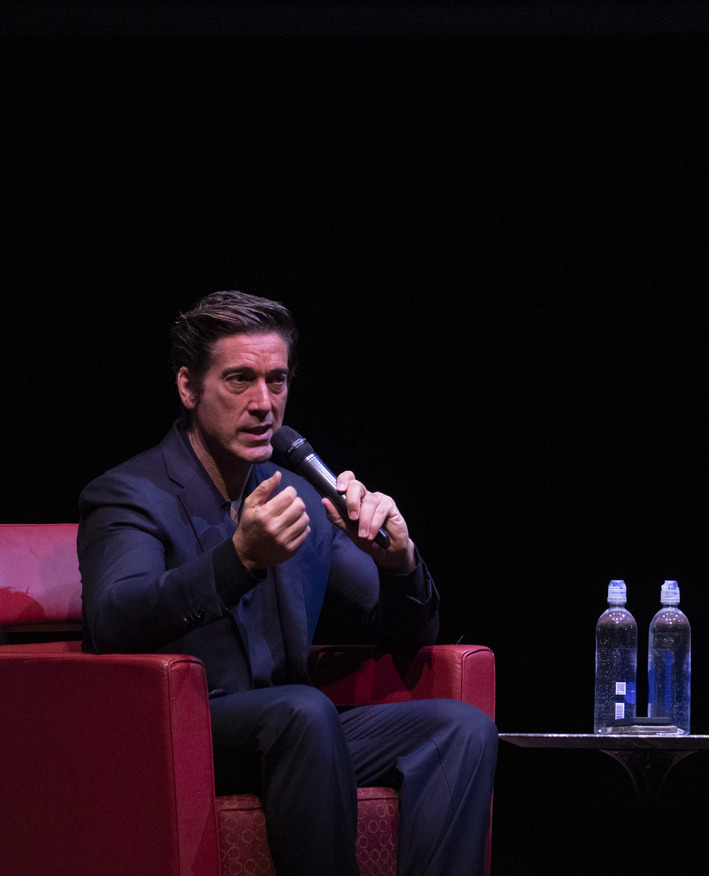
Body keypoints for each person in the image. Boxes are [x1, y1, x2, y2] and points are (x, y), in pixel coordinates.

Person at [77, 290, 497, 876]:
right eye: (240, 380)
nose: (263, 404)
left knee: (460, 728)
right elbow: (114, 618)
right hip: (188, 732)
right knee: (302, 710)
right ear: (188, 387)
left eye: (276, 381)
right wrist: (239, 560)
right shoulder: (130, 494)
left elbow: (398, 635)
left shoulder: (296, 494)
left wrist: (399, 563)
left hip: (300, 734)